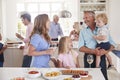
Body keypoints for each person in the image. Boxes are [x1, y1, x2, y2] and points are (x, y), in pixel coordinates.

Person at [78, 11, 116, 80]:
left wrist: (105, 52)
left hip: (101, 57)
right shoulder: (82, 31)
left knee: (102, 77)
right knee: (88, 77)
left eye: (86, 17)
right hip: (88, 58)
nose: (84, 20)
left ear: (93, 18)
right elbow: (80, 48)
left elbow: (113, 44)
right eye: (84, 18)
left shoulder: (103, 28)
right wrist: (93, 51)